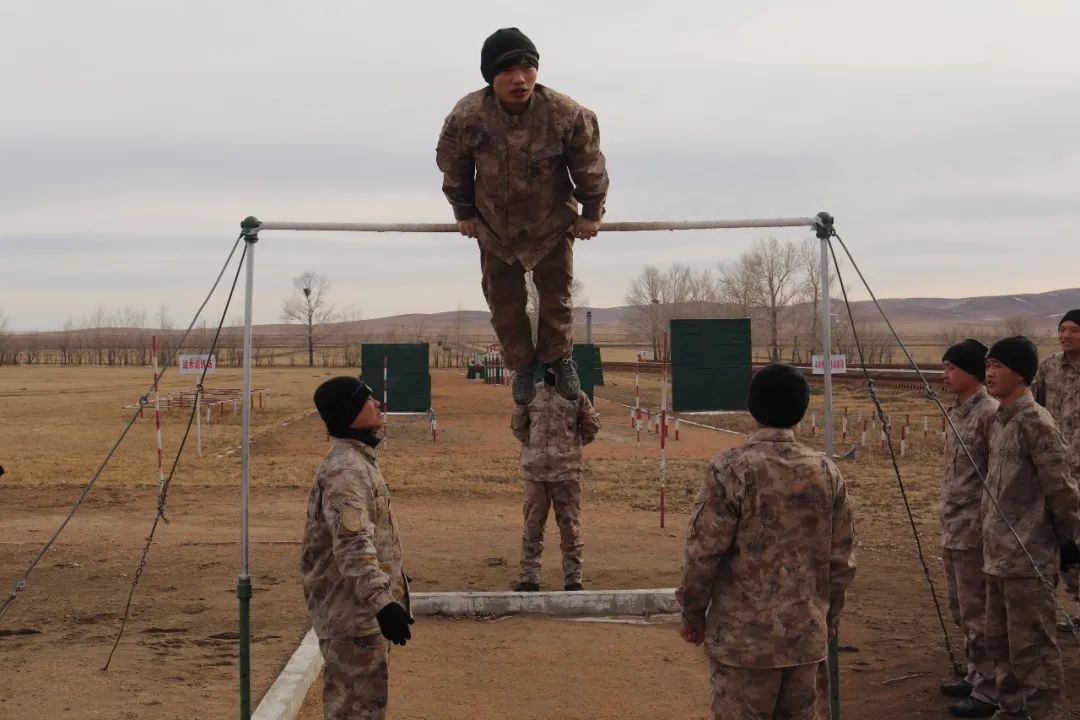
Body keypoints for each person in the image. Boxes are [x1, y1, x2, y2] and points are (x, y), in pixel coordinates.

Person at [436, 27, 609, 406]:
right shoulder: (468, 116)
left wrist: (592, 212)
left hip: (552, 225)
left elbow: (589, 166)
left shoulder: (565, 113)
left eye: (528, 67)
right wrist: (463, 212)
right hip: (496, 229)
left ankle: (558, 359)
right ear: (490, 77)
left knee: (556, 299)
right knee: (505, 303)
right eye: (507, 70)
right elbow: (454, 167)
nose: (519, 79)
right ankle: (522, 366)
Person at [678, 363, 856, 719]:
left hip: (744, 644)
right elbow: (841, 559)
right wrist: (829, 618)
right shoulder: (825, 471)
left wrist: (693, 612)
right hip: (805, 637)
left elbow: (703, 550)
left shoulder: (732, 468)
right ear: (801, 410)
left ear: (753, 407)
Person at [301, 376, 413, 720]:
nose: (379, 405)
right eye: (369, 401)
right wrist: (382, 602)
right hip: (353, 615)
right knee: (355, 712)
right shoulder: (347, 470)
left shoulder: (359, 460)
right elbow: (352, 545)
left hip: (360, 610)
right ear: (350, 413)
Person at [982, 336, 1080, 719]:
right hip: (996, 553)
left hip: (1028, 555)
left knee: (1033, 649)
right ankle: (1011, 711)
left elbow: (1062, 488)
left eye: (999, 366)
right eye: (988, 365)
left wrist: (1067, 538)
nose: (989, 373)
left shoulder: (1036, 422)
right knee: (1000, 643)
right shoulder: (999, 419)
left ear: (1021, 373)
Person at [938, 339, 999, 717]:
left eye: (951, 368)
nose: (944, 375)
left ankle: (990, 690)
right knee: (961, 607)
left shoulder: (989, 414)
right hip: (955, 525)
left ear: (972, 371)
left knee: (979, 611)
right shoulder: (957, 413)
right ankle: (976, 674)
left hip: (978, 529)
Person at [510, 367, 601, 591]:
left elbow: (591, 428)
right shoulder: (531, 394)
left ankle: (573, 578)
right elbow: (518, 427)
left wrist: (569, 449)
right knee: (532, 526)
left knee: (570, 527)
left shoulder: (577, 397)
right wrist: (536, 449)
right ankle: (529, 577)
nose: (553, 368)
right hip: (536, 474)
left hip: (566, 475)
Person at [1032, 309, 1080, 618]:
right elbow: (1031, 407)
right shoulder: (1048, 367)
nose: (1065, 335)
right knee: (1057, 538)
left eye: (1074, 330)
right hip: (1053, 469)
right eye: (1062, 329)